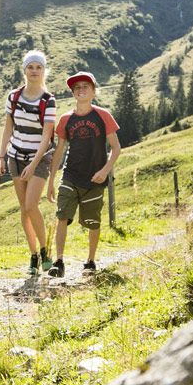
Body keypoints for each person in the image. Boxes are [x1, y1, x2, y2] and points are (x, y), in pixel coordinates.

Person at [47, 71, 122, 278]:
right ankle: (59, 261)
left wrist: (104, 171)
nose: (81, 90)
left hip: (95, 179)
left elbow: (116, 148)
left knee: (92, 222)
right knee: (62, 216)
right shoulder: (66, 119)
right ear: (73, 93)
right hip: (70, 176)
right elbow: (59, 151)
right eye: (76, 88)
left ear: (93, 91)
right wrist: (51, 180)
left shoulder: (102, 115)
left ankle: (90, 262)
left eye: (85, 87)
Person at [0, 50, 59, 275]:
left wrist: (33, 164)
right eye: (30, 67)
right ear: (24, 70)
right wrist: (1, 156)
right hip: (15, 156)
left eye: (38, 67)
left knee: (32, 205)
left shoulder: (48, 101)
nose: (34, 71)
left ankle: (45, 251)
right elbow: (7, 128)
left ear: (44, 71)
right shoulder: (13, 97)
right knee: (24, 209)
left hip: (39, 158)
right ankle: (33, 255)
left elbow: (46, 137)